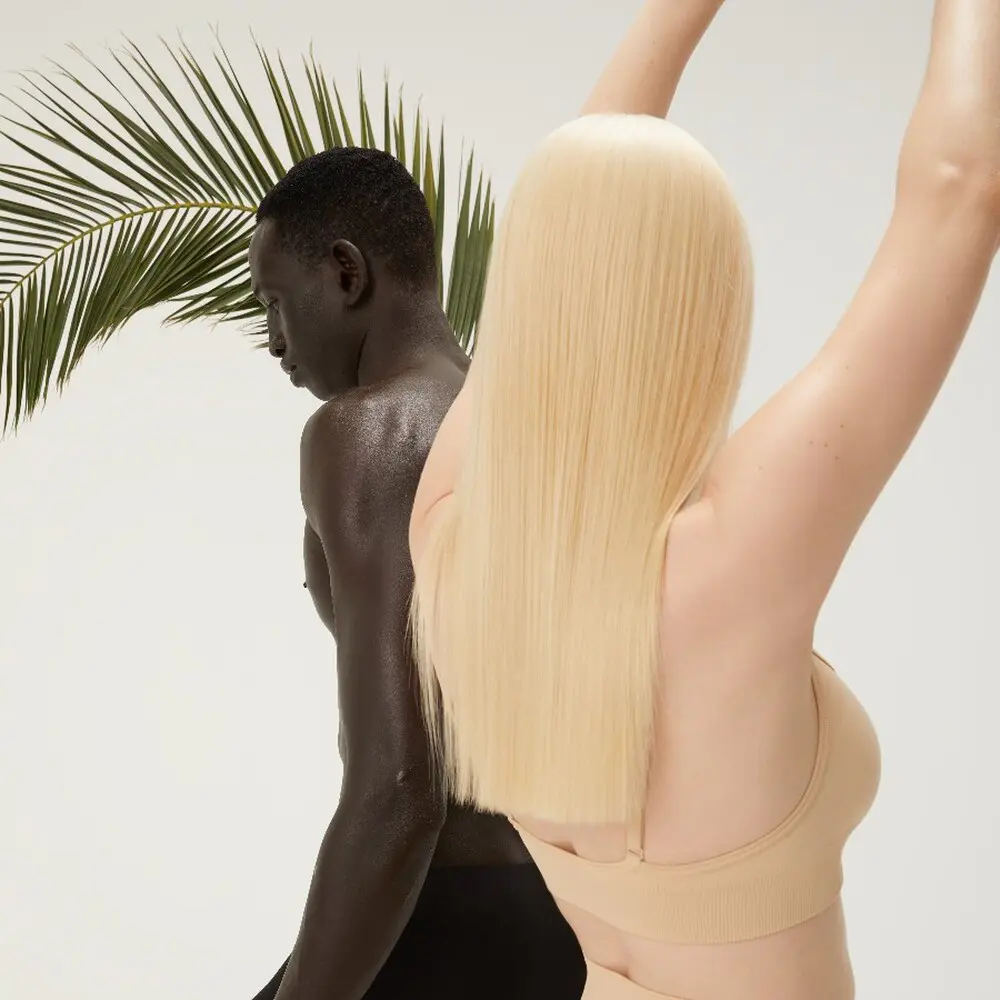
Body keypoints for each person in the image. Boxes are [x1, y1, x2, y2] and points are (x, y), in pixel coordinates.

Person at [408, 1, 1000, 998]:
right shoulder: (730, 556)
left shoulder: (450, 532)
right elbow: (959, 192)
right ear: (709, 312)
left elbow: (571, 224)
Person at [243, 5, 729, 996]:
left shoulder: (366, 434)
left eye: (274, 302)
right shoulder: (528, 421)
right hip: (565, 924)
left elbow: (400, 786)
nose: (275, 342)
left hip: (442, 917)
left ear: (346, 272)